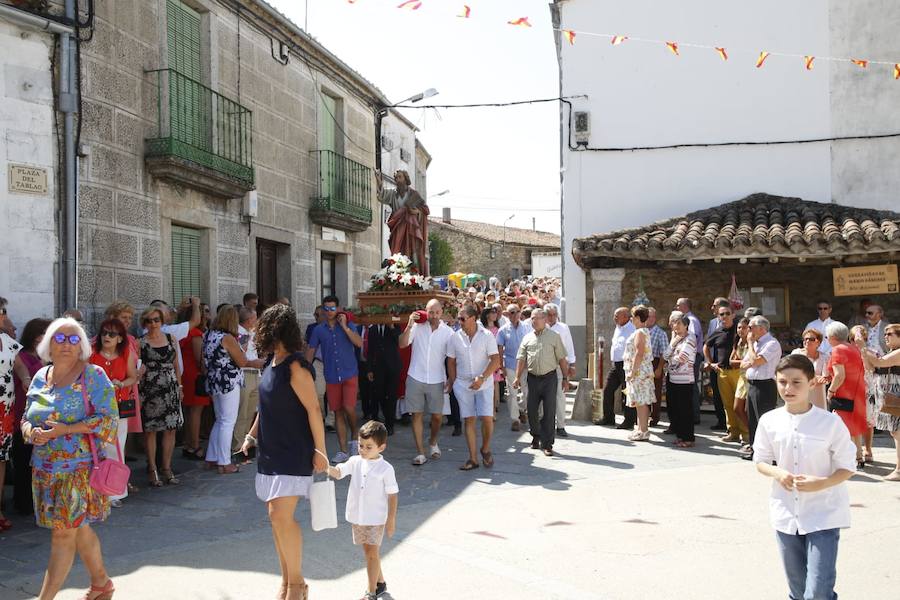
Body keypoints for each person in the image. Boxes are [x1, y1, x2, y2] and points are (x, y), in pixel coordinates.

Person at [21, 317, 118, 600]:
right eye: (60, 338)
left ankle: (45, 598)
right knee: (78, 528)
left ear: (83, 346)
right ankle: (102, 584)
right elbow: (27, 417)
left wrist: (67, 430)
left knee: (62, 534)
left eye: (74, 339)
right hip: (44, 470)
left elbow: (108, 421)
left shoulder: (93, 375)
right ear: (48, 344)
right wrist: (32, 432)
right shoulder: (41, 376)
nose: (66, 344)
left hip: (79, 471)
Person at [241, 304, 327, 600]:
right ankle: (287, 582)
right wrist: (251, 436)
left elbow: (314, 410)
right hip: (270, 450)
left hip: (294, 450)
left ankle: (297, 583)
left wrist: (321, 451)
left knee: (280, 515)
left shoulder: (295, 366)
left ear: (274, 329)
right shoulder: (270, 364)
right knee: (274, 515)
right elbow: (263, 408)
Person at [753, 354, 856, 600]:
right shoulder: (769, 421)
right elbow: (761, 460)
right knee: (798, 591)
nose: (788, 388)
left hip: (824, 514)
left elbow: (848, 466)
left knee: (817, 593)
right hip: (786, 514)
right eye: (782, 382)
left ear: (811, 383)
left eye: (796, 382)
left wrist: (823, 483)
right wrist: (778, 473)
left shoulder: (831, 423)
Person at [328, 421, 399, 600]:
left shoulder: (386, 469)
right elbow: (339, 472)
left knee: (371, 555)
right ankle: (380, 584)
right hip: (357, 516)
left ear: (381, 447)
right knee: (369, 552)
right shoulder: (355, 461)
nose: (363, 450)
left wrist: (391, 520)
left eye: (369, 447)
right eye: (360, 445)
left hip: (376, 518)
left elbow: (392, 495)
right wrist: (325, 467)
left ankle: (371, 592)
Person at [204, 305, 265, 474]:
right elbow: (242, 361)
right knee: (227, 421)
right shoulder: (227, 337)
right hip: (228, 381)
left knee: (220, 420)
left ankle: (211, 457)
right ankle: (224, 462)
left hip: (214, 380)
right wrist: (258, 363)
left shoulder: (209, 334)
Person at [305, 295, 363, 464]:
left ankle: (355, 435)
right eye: (326, 309)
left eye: (332, 308)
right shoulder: (318, 330)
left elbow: (359, 343)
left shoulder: (349, 325)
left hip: (349, 373)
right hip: (331, 375)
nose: (329, 312)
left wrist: (344, 326)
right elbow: (311, 349)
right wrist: (305, 369)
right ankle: (343, 449)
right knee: (337, 411)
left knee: (349, 408)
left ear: (338, 309)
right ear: (323, 310)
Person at [399, 299, 454, 466]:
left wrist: (452, 379)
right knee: (416, 414)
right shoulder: (417, 327)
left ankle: (432, 441)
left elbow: (452, 358)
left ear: (442, 312)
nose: (434, 316)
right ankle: (420, 453)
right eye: (431, 312)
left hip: (437, 379)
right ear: (426, 311)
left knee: (437, 416)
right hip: (415, 376)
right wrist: (409, 324)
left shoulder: (448, 332)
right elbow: (402, 344)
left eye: (437, 312)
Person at [447, 305, 502, 470]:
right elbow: (450, 361)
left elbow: (496, 360)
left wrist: (482, 377)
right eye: (458, 318)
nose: (460, 321)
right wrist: (453, 381)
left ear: (473, 318)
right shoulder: (455, 337)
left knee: (487, 418)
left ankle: (485, 448)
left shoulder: (486, 336)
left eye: (462, 318)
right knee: (469, 419)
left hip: (484, 383)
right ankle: (473, 459)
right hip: (463, 384)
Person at [89, 318, 137, 507]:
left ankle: (115, 492)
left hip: (118, 407)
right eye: (104, 333)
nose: (106, 337)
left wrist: (121, 384)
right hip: (94, 409)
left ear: (120, 338)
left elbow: (132, 377)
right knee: (95, 449)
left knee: (116, 448)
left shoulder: (126, 353)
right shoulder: (91, 354)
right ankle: (95, 491)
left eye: (112, 334)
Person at [512, 308, 569, 456]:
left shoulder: (554, 336)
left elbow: (562, 358)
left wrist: (565, 378)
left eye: (537, 318)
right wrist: (517, 377)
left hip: (550, 378)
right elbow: (521, 359)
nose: (534, 321)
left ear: (544, 320)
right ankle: (535, 436)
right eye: (532, 318)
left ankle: (547, 443)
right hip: (532, 378)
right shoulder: (527, 338)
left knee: (549, 411)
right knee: (531, 410)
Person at [139, 306, 183, 486]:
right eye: (149, 321)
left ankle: (167, 467)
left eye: (156, 320)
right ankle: (152, 468)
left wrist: (180, 386)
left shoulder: (171, 339)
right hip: (150, 389)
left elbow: (176, 365)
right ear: (144, 323)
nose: (153, 324)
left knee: (170, 428)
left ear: (162, 321)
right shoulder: (140, 342)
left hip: (171, 386)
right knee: (150, 430)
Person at [11, 318, 50, 515]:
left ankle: (35, 499)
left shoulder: (42, 357)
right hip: (23, 414)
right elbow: (24, 375)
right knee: (23, 460)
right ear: (37, 336)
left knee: (35, 461)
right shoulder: (23, 356)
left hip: (41, 417)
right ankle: (23, 502)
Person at [825, 322, 869, 470]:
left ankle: (844, 460)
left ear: (832, 337)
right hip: (858, 391)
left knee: (841, 428)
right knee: (854, 426)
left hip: (843, 393)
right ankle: (858, 457)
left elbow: (839, 375)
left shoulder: (837, 350)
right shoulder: (854, 348)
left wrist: (830, 391)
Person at [862, 323, 900, 481]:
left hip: (896, 395)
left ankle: (899, 470)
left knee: (898, 432)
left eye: (890, 334)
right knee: (895, 432)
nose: (886, 337)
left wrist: (862, 346)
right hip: (891, 396)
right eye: (885, 334)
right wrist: (864, 354)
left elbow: (880, 363)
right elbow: (871, 367)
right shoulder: (890, 352)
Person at [741, 316, 783, 460]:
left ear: (761, 328)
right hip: (752, 384)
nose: (749, 331)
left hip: (765, 385)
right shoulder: (757, 344)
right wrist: (752, 357)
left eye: (751, 327)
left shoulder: (771, 343)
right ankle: (756, 451)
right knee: (752, 420)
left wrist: (750, 345)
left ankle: (771, 455)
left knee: (764, 421)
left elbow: (756, 361)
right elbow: (743, 363)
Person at [375, 169, 430, 275]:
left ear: (405, 179)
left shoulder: (413, 194)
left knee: (412, 251)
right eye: (396, 178)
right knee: (397, 250)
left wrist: (415, 211)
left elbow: (425, 210)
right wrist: (379, 182)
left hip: (411, 228)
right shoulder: (393, 194)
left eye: (400, 177)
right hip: (398, 227)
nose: (397, 180)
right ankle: (398, 272)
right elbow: (382, 195)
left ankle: (414, 273)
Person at [705, 304, 746, 442]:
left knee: (740, 404)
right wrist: (710, 363)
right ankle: (733, 431)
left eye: (727, 313)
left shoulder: (738, 329)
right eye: (721, 314)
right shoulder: (718, 331)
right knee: (727, 404)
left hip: (737, 371)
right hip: (722, 372)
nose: (724, 316)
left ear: (733, 315)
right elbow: (706, 346)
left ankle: (745, 433)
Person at [180, 303, 210, 460]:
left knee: (188, 411)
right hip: (195, 375)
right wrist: (207, 373)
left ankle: (187, 444)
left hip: (184, 373)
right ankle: (194, 445)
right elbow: (200, 358)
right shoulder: (195, 333)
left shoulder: (182, 331)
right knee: (196, 411)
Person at [0, 320, 22, 530]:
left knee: (2, 459)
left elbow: (20, 365)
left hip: (5, 409)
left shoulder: (8, 342)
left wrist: (26, 378)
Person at [664, 312, 697, 448]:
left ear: (686, 325)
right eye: (673, 323)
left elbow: (681, 358)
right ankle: (680, 435)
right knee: (675, 410)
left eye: (678, 323)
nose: (675, 326)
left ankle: (688, 438)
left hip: (684, 380)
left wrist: (670, 361)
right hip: (673, 379)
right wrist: (672, 344)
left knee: (685, 410)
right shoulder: (676, 339)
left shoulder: (690, 338)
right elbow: (665, 354)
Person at [599, 307, 636, 427]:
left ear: (625, 317)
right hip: (616, 364)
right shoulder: (618, 327)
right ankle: (608, 417)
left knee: (627, 392)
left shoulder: (632, 329)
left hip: (627, 364)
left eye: (617, 316)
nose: (614, 318)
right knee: (608, 390)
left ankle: (629, 421)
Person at [496, 303, 531, 432]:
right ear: (507, 314)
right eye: (512, 312)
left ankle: (522, 409)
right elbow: (499, 349)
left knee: (528, 392)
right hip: (510, 364)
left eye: (517, 311)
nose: (515, 314)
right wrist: (501, 367)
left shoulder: (528, 328)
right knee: (512, 393)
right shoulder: (503, 330)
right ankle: (515, 419)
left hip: (526, 364)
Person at [623, 305, 654, 441]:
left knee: (641, 402)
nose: (631, 319)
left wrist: (632, 372)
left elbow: (639, 353)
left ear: (637, 317)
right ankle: (641, 428)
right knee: (640, 402)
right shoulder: (643, 331)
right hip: (642, 371)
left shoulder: (640, 332)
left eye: (632, 316)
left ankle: (643, 430)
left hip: (639, 372)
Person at [234, 306, 263, 454]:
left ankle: (247, 443)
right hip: (245, 373)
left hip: (255, 373)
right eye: (255, 317)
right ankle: (238, 445)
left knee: (251, 410)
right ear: (249, 319)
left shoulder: (251, 332)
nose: (257, 320)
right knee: (243, 411)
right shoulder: (240, 333)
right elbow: (242, 352)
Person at [545, 304, 576, 438]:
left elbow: (569, 345)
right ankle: (545, 424)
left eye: (553, 314)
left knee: (560, 396)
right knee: (544, 397)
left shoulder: (563, 328)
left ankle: (561, 425)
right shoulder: (541, 326)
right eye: (549, 315)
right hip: (544, 365)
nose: (551, 317)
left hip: (560, 365)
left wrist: (572, 364)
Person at [365, 323, 401, 435]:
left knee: (391, 396)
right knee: (379, 394)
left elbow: (399, 341)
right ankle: (383, 418)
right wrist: (369, 369)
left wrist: (392, 327)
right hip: (378, 368)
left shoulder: (395, 327)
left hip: (393, 367)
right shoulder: (373, 329)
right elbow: (370, 351)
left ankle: (390, 424)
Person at [675, 297, 704, 425]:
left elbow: (692, 338)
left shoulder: (691, 320)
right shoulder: (689, 319)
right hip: (688, 356)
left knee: (691, 386)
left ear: (684, 306)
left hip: (690, 357)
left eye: (678, 305)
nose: (676, 308)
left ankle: (694, 415)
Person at [791, 329, 830, 410]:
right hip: (800, 392)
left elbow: (827, 378)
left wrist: (824, 379)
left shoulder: (825, 357)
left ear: (818, 342)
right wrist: (815, 378)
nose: (807, 341)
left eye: (811, 339)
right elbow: (793, 373)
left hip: (818, 395)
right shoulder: (796, 354)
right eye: (805, 339)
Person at [730, 317, 752, 449]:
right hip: (741, 378)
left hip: (750, 378)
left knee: (747, 409)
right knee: (737, 408)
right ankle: (751, 431)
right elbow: (732, 362)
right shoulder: (738, 342)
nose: (741, 330)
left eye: (744, 327)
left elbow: (749, 362)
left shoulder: (752, 343)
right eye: (739, 327)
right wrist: (741, 362)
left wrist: (741, 363)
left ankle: (751, 435)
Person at [480, 307, 503, 420]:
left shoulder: (498, 330)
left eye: (496, 312)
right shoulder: (481, 329)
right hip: (483, 361)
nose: (495, 314)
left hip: (494, 360)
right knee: (484, 386)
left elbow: (500, 347)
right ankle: (485, 410)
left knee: (494, 386)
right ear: (487, 314)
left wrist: (499, 363)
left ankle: (493, 410)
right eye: (492, 312)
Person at [647, 307, 668, 427]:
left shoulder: (661, 333)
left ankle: (654, 417)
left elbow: (664, 353)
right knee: (644, 391)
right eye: (648, 316)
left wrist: (659, 368)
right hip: (644, 364)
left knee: (655, 392)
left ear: (655, 318)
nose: (649, 319)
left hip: (655, 363)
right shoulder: (641, 331)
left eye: (652, 317)